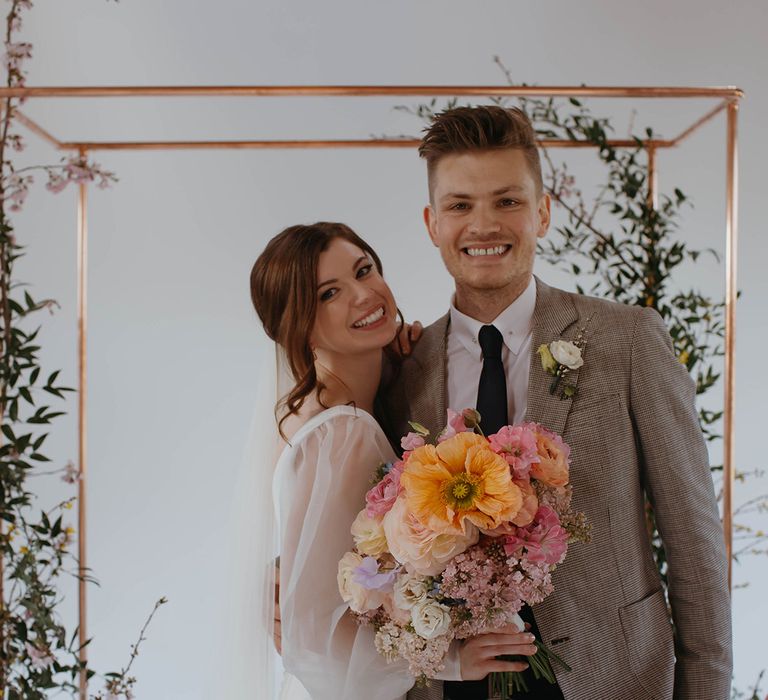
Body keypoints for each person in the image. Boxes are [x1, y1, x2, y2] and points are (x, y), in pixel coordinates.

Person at [378, 106, 733, 700]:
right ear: (432, 222)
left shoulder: (628, 340)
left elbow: (694, 540)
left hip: (613, 675)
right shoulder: (401, 372)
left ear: (542, 211)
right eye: (460, 205)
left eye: (508, 201)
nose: (484, 225)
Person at [249, 222, 538, 700]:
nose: (365, 295)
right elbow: (312, 635)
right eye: (328, 294)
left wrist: (398, 367)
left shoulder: (351, 404)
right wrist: (450, 662)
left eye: (365, 270)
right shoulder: (339, 431)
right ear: (294, 325)